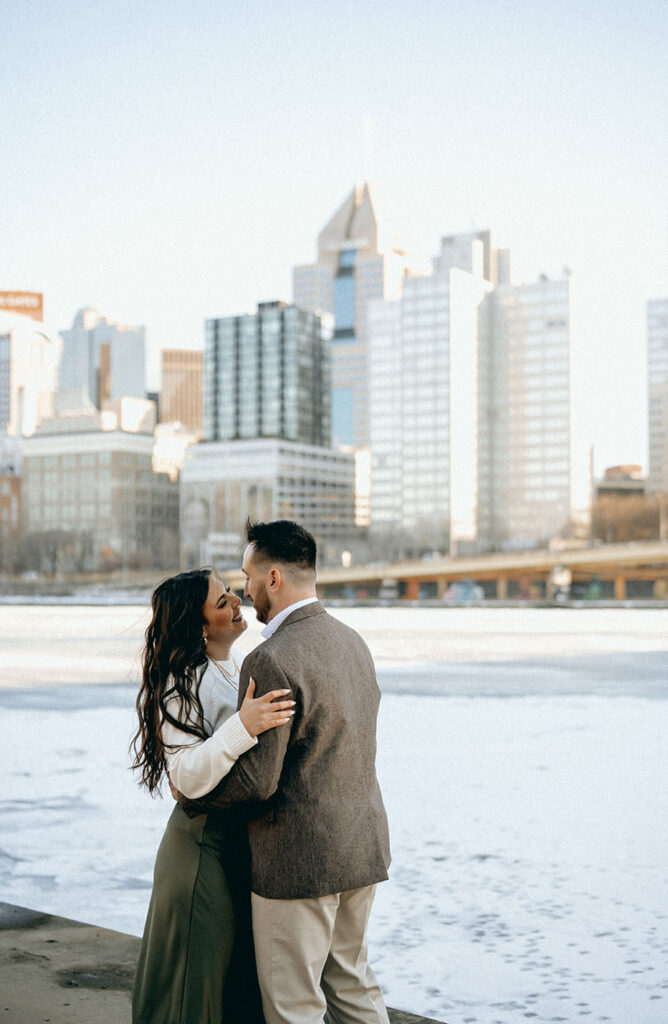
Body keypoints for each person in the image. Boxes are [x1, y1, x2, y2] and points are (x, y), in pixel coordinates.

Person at [178, 520, 392, 1024]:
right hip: (361, 845)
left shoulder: (269, 658)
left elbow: (258, 781)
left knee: (293, 1007)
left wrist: (193, 798)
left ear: (273, 578)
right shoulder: (352, 641)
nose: (245, 588)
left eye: (249, 575)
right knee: (354, 987)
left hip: (298, 861)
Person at [131, 568, 296, 1024]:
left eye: (229, 593)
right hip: (201, 850)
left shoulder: (236, 665)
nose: (237, 600)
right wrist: (244, 726)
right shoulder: (182, 680)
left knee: (231, 984)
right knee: (192, 988)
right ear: (201, 626)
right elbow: (184, 774)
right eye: (223, 602)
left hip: (235, 847)